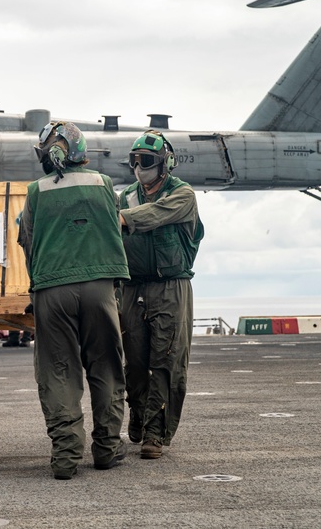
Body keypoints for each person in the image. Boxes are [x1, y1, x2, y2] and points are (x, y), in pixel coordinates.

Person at [17, 121, 130, 480]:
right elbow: (115, 228)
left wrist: (39, 286)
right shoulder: (104, 184)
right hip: (100, 288)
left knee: (58, 370)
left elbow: (27, 242)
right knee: (106, 367)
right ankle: (107, 448)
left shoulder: (36, 191)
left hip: (52, 291)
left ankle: (66, 455)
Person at [117, 131, 204, 460]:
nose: (141, 168)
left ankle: (156, 432)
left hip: (171, 286)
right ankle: (137, 413)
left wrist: (122, 218)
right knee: (135, 363)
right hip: (132, 287)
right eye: (135, 161)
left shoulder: (182, 195)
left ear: (164, 163)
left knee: (166, 361)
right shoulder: (125, 196)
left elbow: (154, 215)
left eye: (147, 161)